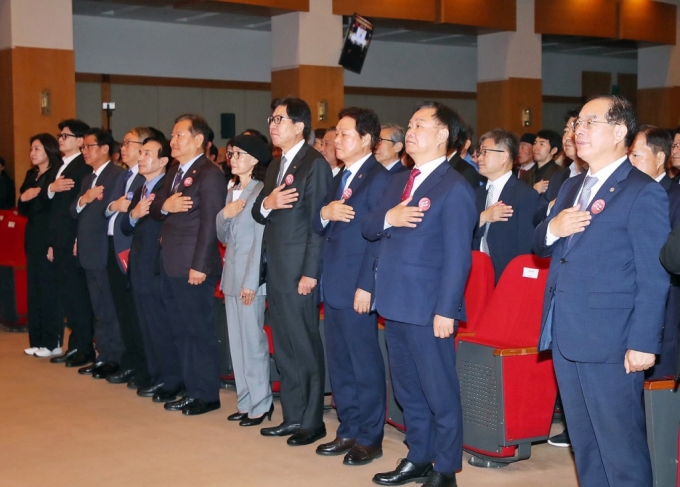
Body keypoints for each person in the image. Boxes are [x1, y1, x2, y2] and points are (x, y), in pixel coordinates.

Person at [534, 95, 669, 487]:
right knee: (586, 446)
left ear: (620, 131)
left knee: (621, 449)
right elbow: (543, 246)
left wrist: (644, 342)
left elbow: (653, 275)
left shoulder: (642, 191)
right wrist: (553, 228)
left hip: (612, 340)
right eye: (578, 122)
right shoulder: (573, 183)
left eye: (590, 122)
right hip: (566, 332)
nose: (579, 129)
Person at [363, 101, 476, 487]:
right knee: (408, 389)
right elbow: (368, 226)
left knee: (439, 390)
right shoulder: (399, 180)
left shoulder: (454, 187)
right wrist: (387, 218)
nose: (410, 132)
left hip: (429, 307)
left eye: (420, 125)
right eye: (409, 125)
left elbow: (459, 257)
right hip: (394, 301)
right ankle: (418, 455)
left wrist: (447, 310)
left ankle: (446, 469)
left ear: (444, 135)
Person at [252, 97, 333, 446]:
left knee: (303, 344)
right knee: (283, 345)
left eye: (280, 119)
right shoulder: (275, 165)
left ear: (299, 126)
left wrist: (310, 273)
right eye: (271, 118)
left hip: (299, 270)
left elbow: (319, 225)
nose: (273, 124)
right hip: (276, 268)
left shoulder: (314, 165)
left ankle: (312, 421)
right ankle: (293, 416)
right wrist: (267, 203)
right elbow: (259, 212)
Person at [312, 107, 390, 466]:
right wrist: (325, 214)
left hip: (357, 285)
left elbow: (379, 239)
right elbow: (319, 221)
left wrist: (366, 285)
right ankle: (348, 428)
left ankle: (369, 437)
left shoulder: (379, 178)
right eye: (336, 135)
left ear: (366, 140)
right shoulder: (340, 175)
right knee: (340, 361)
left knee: (364, 363)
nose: (336, 141)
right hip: (334, 281)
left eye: (344, 134)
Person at [149, 114, 227, 415]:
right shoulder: (174, 172)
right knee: (179, 330)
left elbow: (210, 224)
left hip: (193, 266)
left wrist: (201, 265)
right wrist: (164, 206)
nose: (173, 141)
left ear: (198, 140)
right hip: (170, 262)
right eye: (172, 135)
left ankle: (206, 394)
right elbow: (155, 206)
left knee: (198, 331)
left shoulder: (210, 174)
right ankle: (190, 388)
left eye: (179, 135)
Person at [216, 134, 273, 427]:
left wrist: (252, 282)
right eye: (230, 154)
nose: (233, 159)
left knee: (253, 343)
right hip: (231, 276)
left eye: (238, 154)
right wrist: (223, 215)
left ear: (254, 159)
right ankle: (245, 400)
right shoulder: (233, 190)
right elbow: (224, 237)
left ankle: (261, 403)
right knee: (237, 344)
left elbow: (260, 242)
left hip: (250, 280)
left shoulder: (261, 191)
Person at [120, 135, 181, 400]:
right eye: (140, 153)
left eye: (147, 153)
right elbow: (124, 226)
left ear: (163, 160)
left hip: (157, 265)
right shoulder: (140, 188)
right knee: (145, 324)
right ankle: (155, 375)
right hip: (139, 264)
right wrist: (134, 214)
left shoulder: (168, 188)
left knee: (160, 325)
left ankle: (171, 380)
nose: (141, 158)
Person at [70, 128, 125, 379]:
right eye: (83, 147)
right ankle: (103, 354)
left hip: (106, 250)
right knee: (99, 306)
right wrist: (85, 198)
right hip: (89, 250)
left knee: (110, 307)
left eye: (89, 146)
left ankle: (113, 357)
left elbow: (112, 212)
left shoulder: (117, 175)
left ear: (105, 149)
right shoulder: (88, 178)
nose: (85, 152)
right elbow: (75, 210)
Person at [629, 125, 680, 380]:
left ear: (660, 158)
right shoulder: (624, 192)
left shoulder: (676, 195)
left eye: (636, 156)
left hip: (666, 301)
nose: (630, 162)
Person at [103, 127, 152, 387]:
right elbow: (107, 208)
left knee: (135, 313)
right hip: (113, 248)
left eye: (129, 143)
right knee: (122, 310)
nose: (123, 148)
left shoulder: (145, 178)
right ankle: (129, 361)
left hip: (131, 250)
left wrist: (122, 207)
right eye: (122, 143)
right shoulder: (123, 177)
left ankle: (140, 365)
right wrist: (115, 206)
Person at [47, 119, 95, 367]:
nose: (60, 139)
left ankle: (84, 347)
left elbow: (80, 207)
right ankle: (75, 344)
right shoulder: (60, 165)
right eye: (60, 134)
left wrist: (77, 238)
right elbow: (54, 206)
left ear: (80, 140)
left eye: (65, 135)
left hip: (73, 238)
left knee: (77, 295)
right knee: (68, 294)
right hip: (60, 238)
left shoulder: (83, 166)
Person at [473, 129, 538, 281]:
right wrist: (483, 218)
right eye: (479, 152)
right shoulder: (476, 194)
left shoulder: (525, 195)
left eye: (485, 152)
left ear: (504, 156)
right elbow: (463, 234)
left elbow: (526, 246)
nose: (479, 158)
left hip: (507, 277)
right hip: (476, 275)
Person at [19, 134, 63, 357]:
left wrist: (53, 242)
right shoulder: (31, 174)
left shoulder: (57, 173)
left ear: (48, 149)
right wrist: (25, 197)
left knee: (49, 289)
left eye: (36, 148)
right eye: (31, 149)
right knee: (34, 289)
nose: (32, 153)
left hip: (48, 236)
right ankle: (36, 340)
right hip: (33, 236)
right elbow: (23, 207)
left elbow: (54, 208)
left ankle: (52, 341)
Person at [535, 109, 587, 225]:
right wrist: (552, 206)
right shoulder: (559, 176)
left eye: (574, 130)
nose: (567, 137)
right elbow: (537, 214)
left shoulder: (594, 174)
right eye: (565, 131)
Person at [525, 129, 562, 194]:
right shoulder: (526, 174)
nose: (536, 147)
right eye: (535, 143)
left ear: (553, 150)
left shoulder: (559, 174)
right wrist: (533, 190)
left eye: (542, 144)